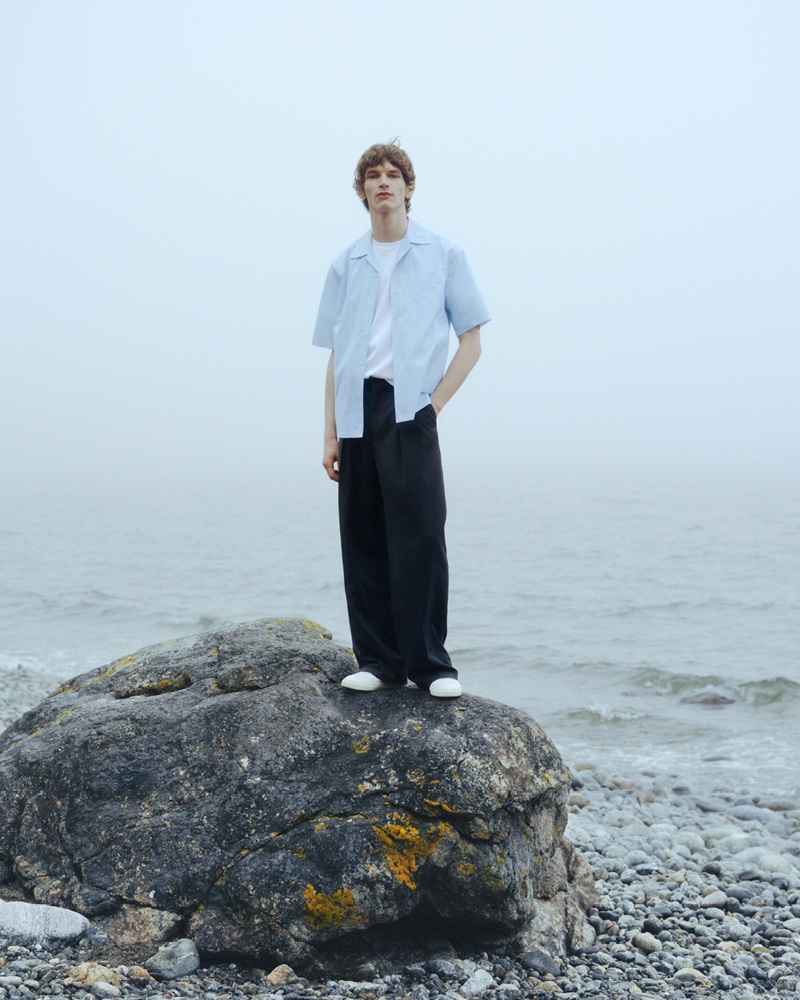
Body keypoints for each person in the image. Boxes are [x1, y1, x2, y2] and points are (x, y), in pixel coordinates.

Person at [312, 140, 490, 698]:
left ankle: (432, 666)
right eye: (373, 175)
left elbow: (471, 340)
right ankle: (379, 661)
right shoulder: (346, 263)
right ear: (362, 191)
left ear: (409, 188)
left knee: (420, 535)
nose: (383, 182)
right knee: (363, 534)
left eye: (393, 174)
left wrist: (432, 404)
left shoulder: (443, 254)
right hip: (356, 407)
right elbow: (337, 353)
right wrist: (330, 431)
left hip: (411, 407)